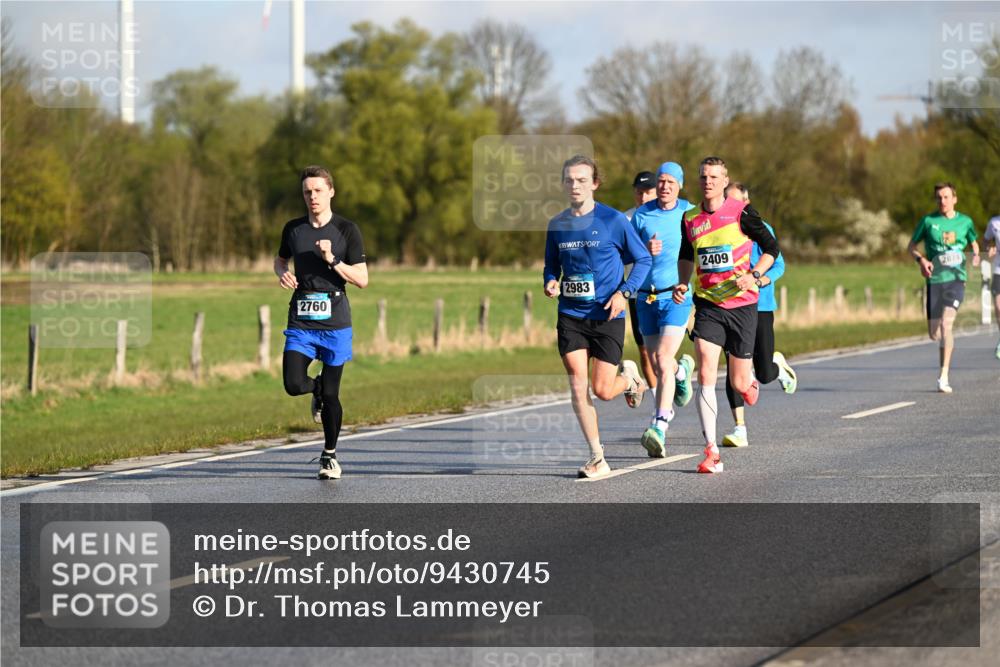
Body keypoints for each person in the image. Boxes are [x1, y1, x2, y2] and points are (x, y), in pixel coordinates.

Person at [543, 155, 652, 479]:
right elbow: (552, 265)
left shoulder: (613, 220)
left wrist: (625, 293)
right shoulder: (557, 224)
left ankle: (630, 379)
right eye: (569, 180)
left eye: (581, 180)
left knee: (603, 390)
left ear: (594, 184)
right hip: (571, 314)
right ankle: (597, 456)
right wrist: (550, 281)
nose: (574, 185)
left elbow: (642, 259)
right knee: (578, 385)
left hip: (607, 313)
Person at [671, 157, 780, 474]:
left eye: (714, 177)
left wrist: (756, 276)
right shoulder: (689, 218)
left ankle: (749, 383)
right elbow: (685, 255)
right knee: (705, 370)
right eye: (703, 176)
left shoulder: (740, 211)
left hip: (743, 305)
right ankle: (711, 451)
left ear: (724, 180)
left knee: (738, 380)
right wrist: (681, 282)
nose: (708, 181)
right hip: (707, 305)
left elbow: (772, 247)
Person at [275, 165, 369, 480]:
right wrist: (282, 272)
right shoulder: (293, 229)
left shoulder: (347, 230)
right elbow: (280, 258)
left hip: (335, 323)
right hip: (301, 319)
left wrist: (333, 260)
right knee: (292, 383)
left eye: (317, 190)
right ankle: (314, 388)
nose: (312, 196)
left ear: (330, 192)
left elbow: (362, 280)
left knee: (332, 396)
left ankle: (329, 456)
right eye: (307, 192)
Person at [720, 182, 797, 449]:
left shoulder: (762, 229)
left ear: (746, 202)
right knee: (732, 369)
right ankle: (739, 427)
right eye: (726, 201)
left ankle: (776, 365)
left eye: (735, 202)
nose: (731, 207)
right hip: (731, 306)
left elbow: (780, 264)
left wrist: (761, 280)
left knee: (763, 374)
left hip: (761, 305)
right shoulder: (720, 228)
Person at [629, 162, 697, 458]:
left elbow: (705, 246)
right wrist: (644, 246)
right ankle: (682, 372)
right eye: (661, 181)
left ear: (679, 185)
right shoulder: (642, 215)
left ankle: (659, 424)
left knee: (661, 357)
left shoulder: (689, 212)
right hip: (646, 297)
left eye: (670, 181)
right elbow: (624, 250)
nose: (664, 186)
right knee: (660, 365)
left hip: (676, 296)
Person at [907, 182, 980, 393]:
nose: (942, 201)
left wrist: (975, 256)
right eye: (939, 197)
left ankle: (943, 376)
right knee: (934, 332)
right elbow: (911, 246)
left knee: (947, 325)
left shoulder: (965, 222)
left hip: (956, 280)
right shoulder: (928, 221)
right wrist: (921, 261)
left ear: (954, 199)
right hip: (934, 282)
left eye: (946, 197)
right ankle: (942, 347)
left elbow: (974, 243)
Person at [624, 171, 659, 393]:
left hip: (663, 290)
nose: (643, 198)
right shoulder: (624, 219)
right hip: (636, 292)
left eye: (648, 193)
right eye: (639, 193)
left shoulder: (667, 215)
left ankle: (675, 375)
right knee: (644, 349)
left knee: (663, 349)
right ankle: (659, 403)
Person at [984, 214, 1000, 360]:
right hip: (998, 270)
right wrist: (990, 248)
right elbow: (986, 240)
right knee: (998, 306)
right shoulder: (994, 222)